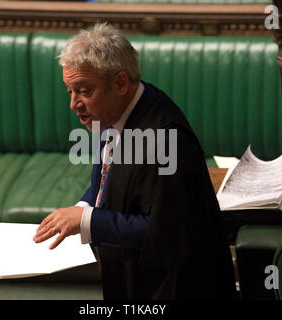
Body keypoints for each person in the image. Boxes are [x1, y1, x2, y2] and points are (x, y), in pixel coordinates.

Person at [33, 22, 237, 299]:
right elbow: (110, 177)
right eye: (70, 91)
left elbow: (164, 234)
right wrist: (85, 205)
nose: (74, 104)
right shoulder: (115, 110)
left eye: (83, 91)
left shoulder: (166, 141)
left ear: (119, 83)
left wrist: (88, 221)